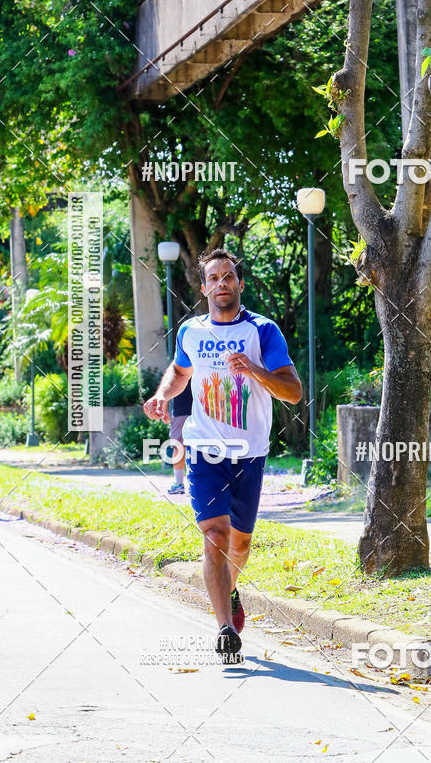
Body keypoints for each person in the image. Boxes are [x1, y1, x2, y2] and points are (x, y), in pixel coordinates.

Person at [143, 248, 302, 663]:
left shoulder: (263, 331)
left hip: (249, 452)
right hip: (203, 450)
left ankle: (231, 588)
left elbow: (293, 391)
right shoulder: (190, 331)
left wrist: (254, 370)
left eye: (228, 276)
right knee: (214, 536)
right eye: (213, 278)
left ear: (240, 283)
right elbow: (180, 373)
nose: (221, 284)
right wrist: (162, 395)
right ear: (204, 288)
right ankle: (224, 629)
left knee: (240, 543)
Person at [167, 379, 192, 495]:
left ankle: (178, 483)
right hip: (203, 408)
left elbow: (170, 382)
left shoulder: (180, 361)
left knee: (178, 446)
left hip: (182, 410)